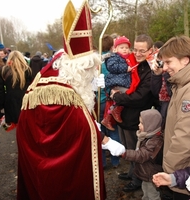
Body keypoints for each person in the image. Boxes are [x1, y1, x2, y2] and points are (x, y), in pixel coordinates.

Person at [16, 1, 125, 199]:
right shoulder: (58, 91)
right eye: (87, 69)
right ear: (74, 67)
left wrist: (93, 91)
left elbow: (79, 117)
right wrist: (104, 139)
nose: (91, 72)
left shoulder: (65, 78)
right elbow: (74, 126)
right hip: (52, 162)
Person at [156, 35, 190, 199]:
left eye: (168, 62)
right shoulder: (182, 84)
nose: (165, 68)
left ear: (185, 60)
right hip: (181, 170)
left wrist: (169, 170)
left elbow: (186, 135)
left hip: (183, 173)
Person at [111, 34, 157, 192]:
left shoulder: (151, 70)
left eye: (142, 51)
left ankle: (137, 180)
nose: (137, 53)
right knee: (127, 147)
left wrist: (117, 96)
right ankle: (131, 173)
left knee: (136, 152)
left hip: (137, 118)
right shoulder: (132, 63)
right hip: (124, 115)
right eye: (135, 50)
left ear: (150, 50)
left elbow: (140, 98)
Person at [121, 109, 163, 200]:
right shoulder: (146, 135)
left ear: (150, 125)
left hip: (151, 174)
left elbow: (141, 155)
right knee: (145, 190)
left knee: (153, 195)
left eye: (142, 123)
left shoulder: (154, 141)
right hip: (145, 173)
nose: (139, 125)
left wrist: (124, 153)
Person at [101, 36, 133, 130]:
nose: (124, 50)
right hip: (117, 82)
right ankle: (114, 112)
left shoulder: (127, 57)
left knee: (120, 99)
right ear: (115, 48)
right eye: (122, 48)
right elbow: (112, 66)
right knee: (126, 94)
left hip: (123, 81)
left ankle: (108, 117)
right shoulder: (114, 57)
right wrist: (126, 68)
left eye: (126, 48)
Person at [0, 51, 33, 132]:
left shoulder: (3, 70)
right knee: (26, 125)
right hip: (25, 100)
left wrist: (1, 105)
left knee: (15, 124)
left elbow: (0, 90)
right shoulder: (27, 70)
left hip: (10, 101)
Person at [99, 34, 121, 169]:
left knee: (99, 131)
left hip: (98, 101)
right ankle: (115, 160)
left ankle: (101, 162)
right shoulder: (113, 60)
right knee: (113, 130)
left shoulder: (95, 61)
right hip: (109, 100)